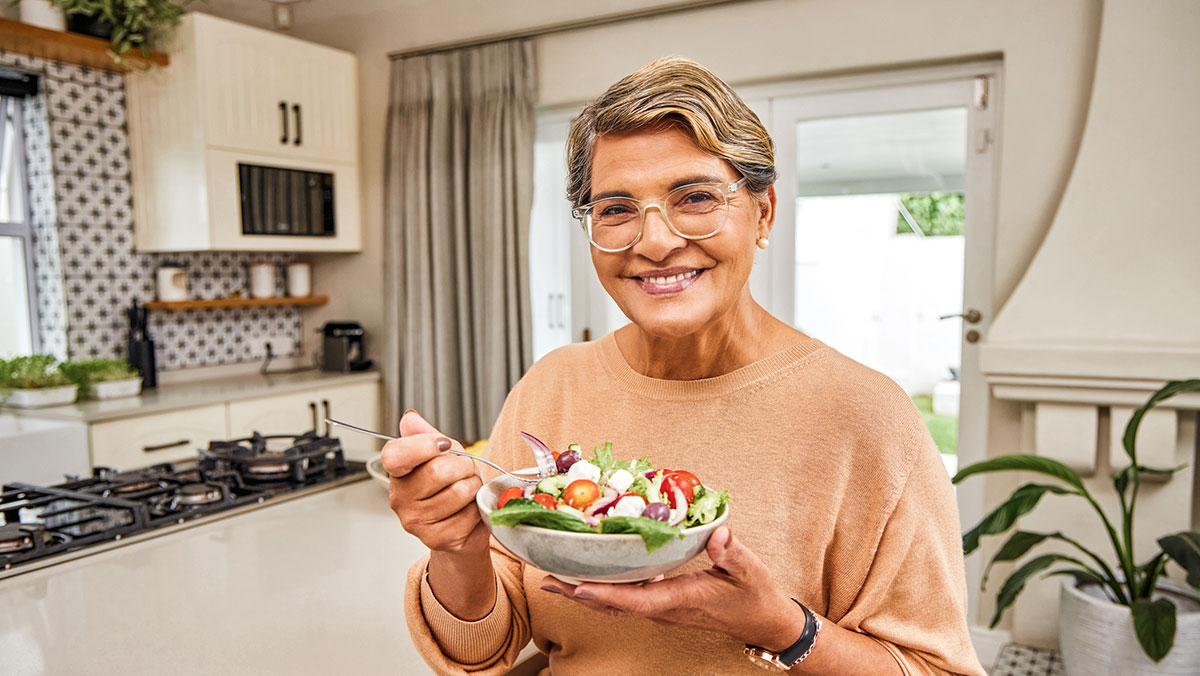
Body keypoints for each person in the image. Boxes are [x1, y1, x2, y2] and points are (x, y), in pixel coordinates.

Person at [384, 57, 985, 676]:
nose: (654, 242)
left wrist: (777, 625)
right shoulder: (553, 384)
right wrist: (457, 550)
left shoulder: (867, 417)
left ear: (764, 213)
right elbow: (481, 651)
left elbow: (935, 669)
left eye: (695, 197)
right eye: (615, 209)